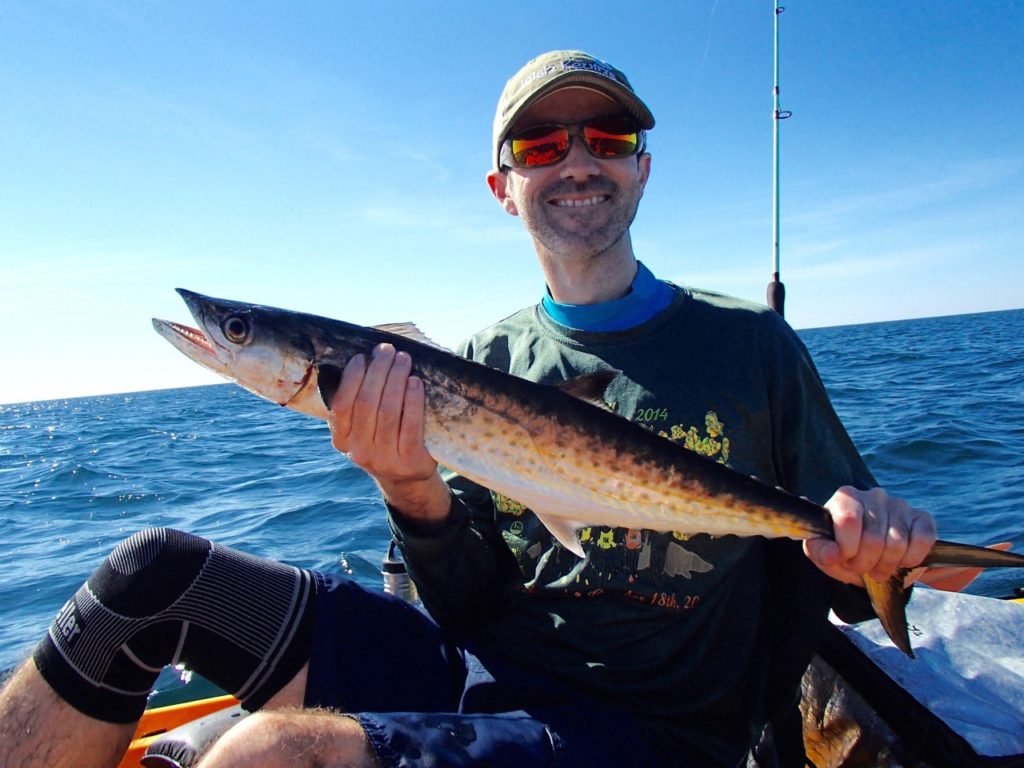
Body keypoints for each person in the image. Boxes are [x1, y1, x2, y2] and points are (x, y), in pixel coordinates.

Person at [0, 50, 938, 768]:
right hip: (480, 671)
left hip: (648, 731)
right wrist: (408, 484)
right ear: (503, 189)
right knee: (151, 576)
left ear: (642, 169)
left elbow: (842, 560)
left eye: (606, 139)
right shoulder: (479, 357)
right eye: (540, 146)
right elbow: (472, 601)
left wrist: (881, 542)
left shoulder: (751, 348)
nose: (576, 161)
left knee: (266, 754)